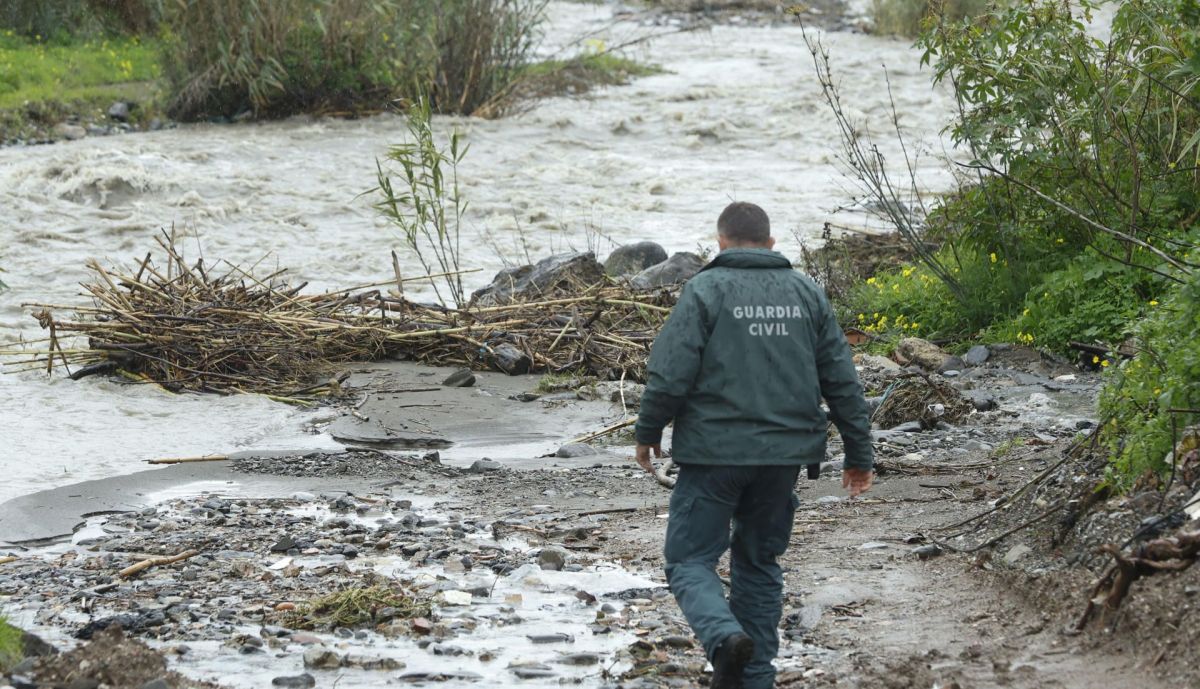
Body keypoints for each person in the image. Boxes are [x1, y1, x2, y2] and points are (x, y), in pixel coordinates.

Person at [634, 201, 875, 689]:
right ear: (771, 243)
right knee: (759, 563)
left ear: (719, 243)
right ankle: (755, 676)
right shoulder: (806, 292)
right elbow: (842, 380)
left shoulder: (704, 289)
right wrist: (858, 455)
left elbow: (671, 373)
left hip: (712, 457)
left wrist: (648, 431)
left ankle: (723, 638)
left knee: (688, 560)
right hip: (783, 458)